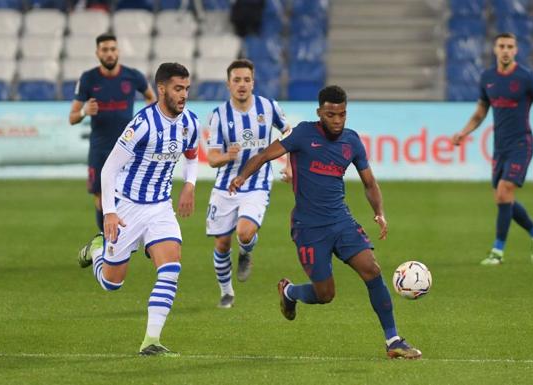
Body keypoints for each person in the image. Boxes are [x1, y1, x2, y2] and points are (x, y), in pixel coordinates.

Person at [228, 85, 421, 359]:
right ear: (320, 112)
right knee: (325, 294)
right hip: (309, 229)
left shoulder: (352, 142)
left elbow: (369, 182)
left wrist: (379, 212)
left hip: (341, 221)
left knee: (372, 270)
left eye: (342, 114)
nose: (337, 120)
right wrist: (242, 176)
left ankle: (393, 340)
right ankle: (290, 292)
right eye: (331, 115)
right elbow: (263, 156)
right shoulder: (304, 134)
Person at [77, 62, 199, 356]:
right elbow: (109, 170)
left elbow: (193, 155)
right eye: (177, 88)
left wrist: (190, 185)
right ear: (161, 89)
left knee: (171, 268)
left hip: (160, 208)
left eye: (186, 88)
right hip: (128, 206)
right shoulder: (141, 124)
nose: (183, 95)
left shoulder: (189, 122)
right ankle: (96, 249)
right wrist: (109, 211)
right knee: (111, 283)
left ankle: (151, 341)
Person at [452, 32, 533, 265]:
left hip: (521, 144)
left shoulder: (527, 77)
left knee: (504, 191)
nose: (506, 50)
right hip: (500, 147)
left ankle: (497, 252)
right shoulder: (487, 77)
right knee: (502, 197)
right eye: (501, 46)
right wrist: (464, 132)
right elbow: (480, 112)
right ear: (495, 49)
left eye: (510, 46)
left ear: (516, 50)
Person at [206, 59, 289, 309]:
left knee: (244, 232)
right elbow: (211, 159)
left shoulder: (268, 107)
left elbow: (289, 133)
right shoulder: (219, 116)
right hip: (224, 185)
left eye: (246, 80)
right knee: (221, 243)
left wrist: (290, 163)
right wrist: (227, 156)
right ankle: (226, 292)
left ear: (253, 82)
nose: (242, 85)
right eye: (236, 80)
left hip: (258, 183)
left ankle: (245, 252)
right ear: (228, 84)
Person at [69, 32, 156, 240]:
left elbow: (151, 98)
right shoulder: (88, 78)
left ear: (118, 51)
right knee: (100, 199)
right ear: (97, 53)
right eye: (105, 50)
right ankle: (106, 237)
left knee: (133, 194)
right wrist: (83, 112)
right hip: (100, 148)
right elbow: (72, 117)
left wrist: (148, 121)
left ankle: (136, 235)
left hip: (128, 148)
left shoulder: (133, 76)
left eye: (113, 49)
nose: (109, 53)